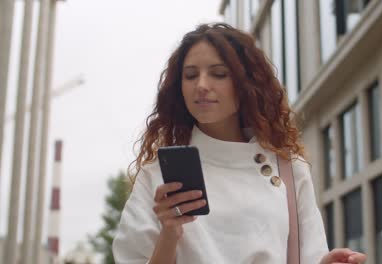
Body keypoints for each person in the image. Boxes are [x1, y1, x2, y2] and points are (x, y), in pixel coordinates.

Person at [112, 23, 367, 264]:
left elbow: (309, 254)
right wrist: (169, 233)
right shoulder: (157, 176)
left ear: (246, 84)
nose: (201, 85)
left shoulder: (288, 168)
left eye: (219, 74)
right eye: (190, 76)